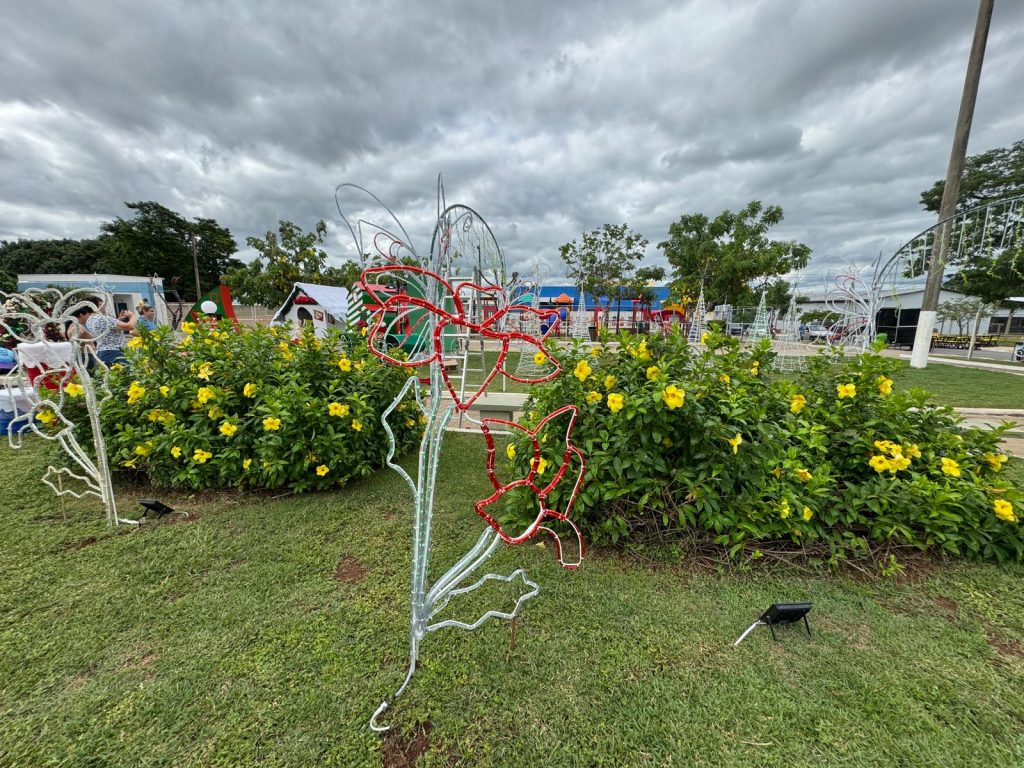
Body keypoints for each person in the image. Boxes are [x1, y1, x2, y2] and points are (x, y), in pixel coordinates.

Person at [69, 299, 136, 367]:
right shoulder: (105, 319)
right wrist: (132, 316)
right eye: (101, 304)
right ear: (94, 307)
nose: (105, 307)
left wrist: (118, 320)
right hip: (115, 352)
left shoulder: (90, 320)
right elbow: (130, 326)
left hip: (102, 352)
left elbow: (107, 329)